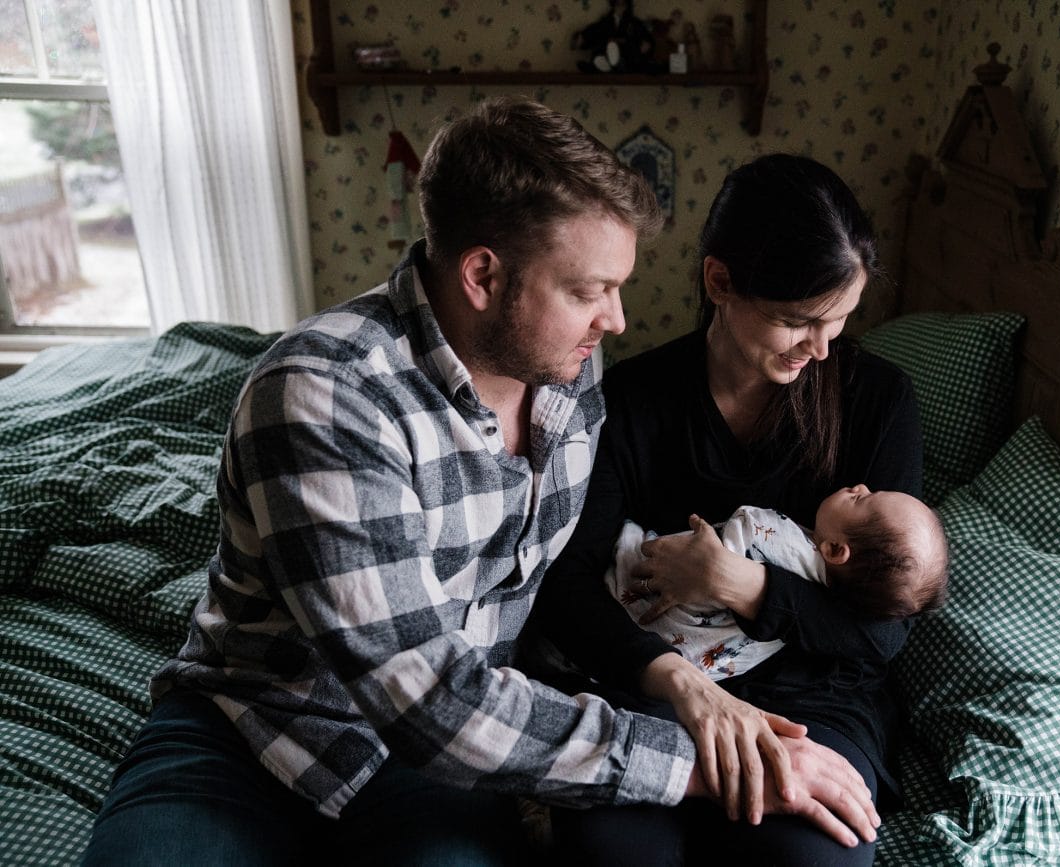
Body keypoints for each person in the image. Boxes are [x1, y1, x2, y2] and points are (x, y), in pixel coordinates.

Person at [80, 99, 877, 866]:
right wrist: (703, 761)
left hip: (439, 765)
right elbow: (428, 698)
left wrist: (683, 679)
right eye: (588, 290)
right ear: (483, 276)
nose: (618, 320)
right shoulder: (324, 395)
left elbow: (548, 597)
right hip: (258, 732)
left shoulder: (569, 369)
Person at [528, 152, 926, 866]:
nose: (823, 345)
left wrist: (736, 582)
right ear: (720, 282)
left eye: (841, 319)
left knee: (812, 859)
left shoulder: (878, 401)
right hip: (658, 686)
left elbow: (884, 632)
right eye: (799, 320)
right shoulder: (635, 402)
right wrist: (675, 684)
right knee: (612, 850)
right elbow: (566, 585)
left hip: (814, 700)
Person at [608, 488, 948, 682]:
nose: (859, 487)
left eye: (862, 500)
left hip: (632, 592)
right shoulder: (821, 606)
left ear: (834, 550)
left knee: (625, 542)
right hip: (678, 660)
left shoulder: (782, 542)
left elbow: (746, 524)